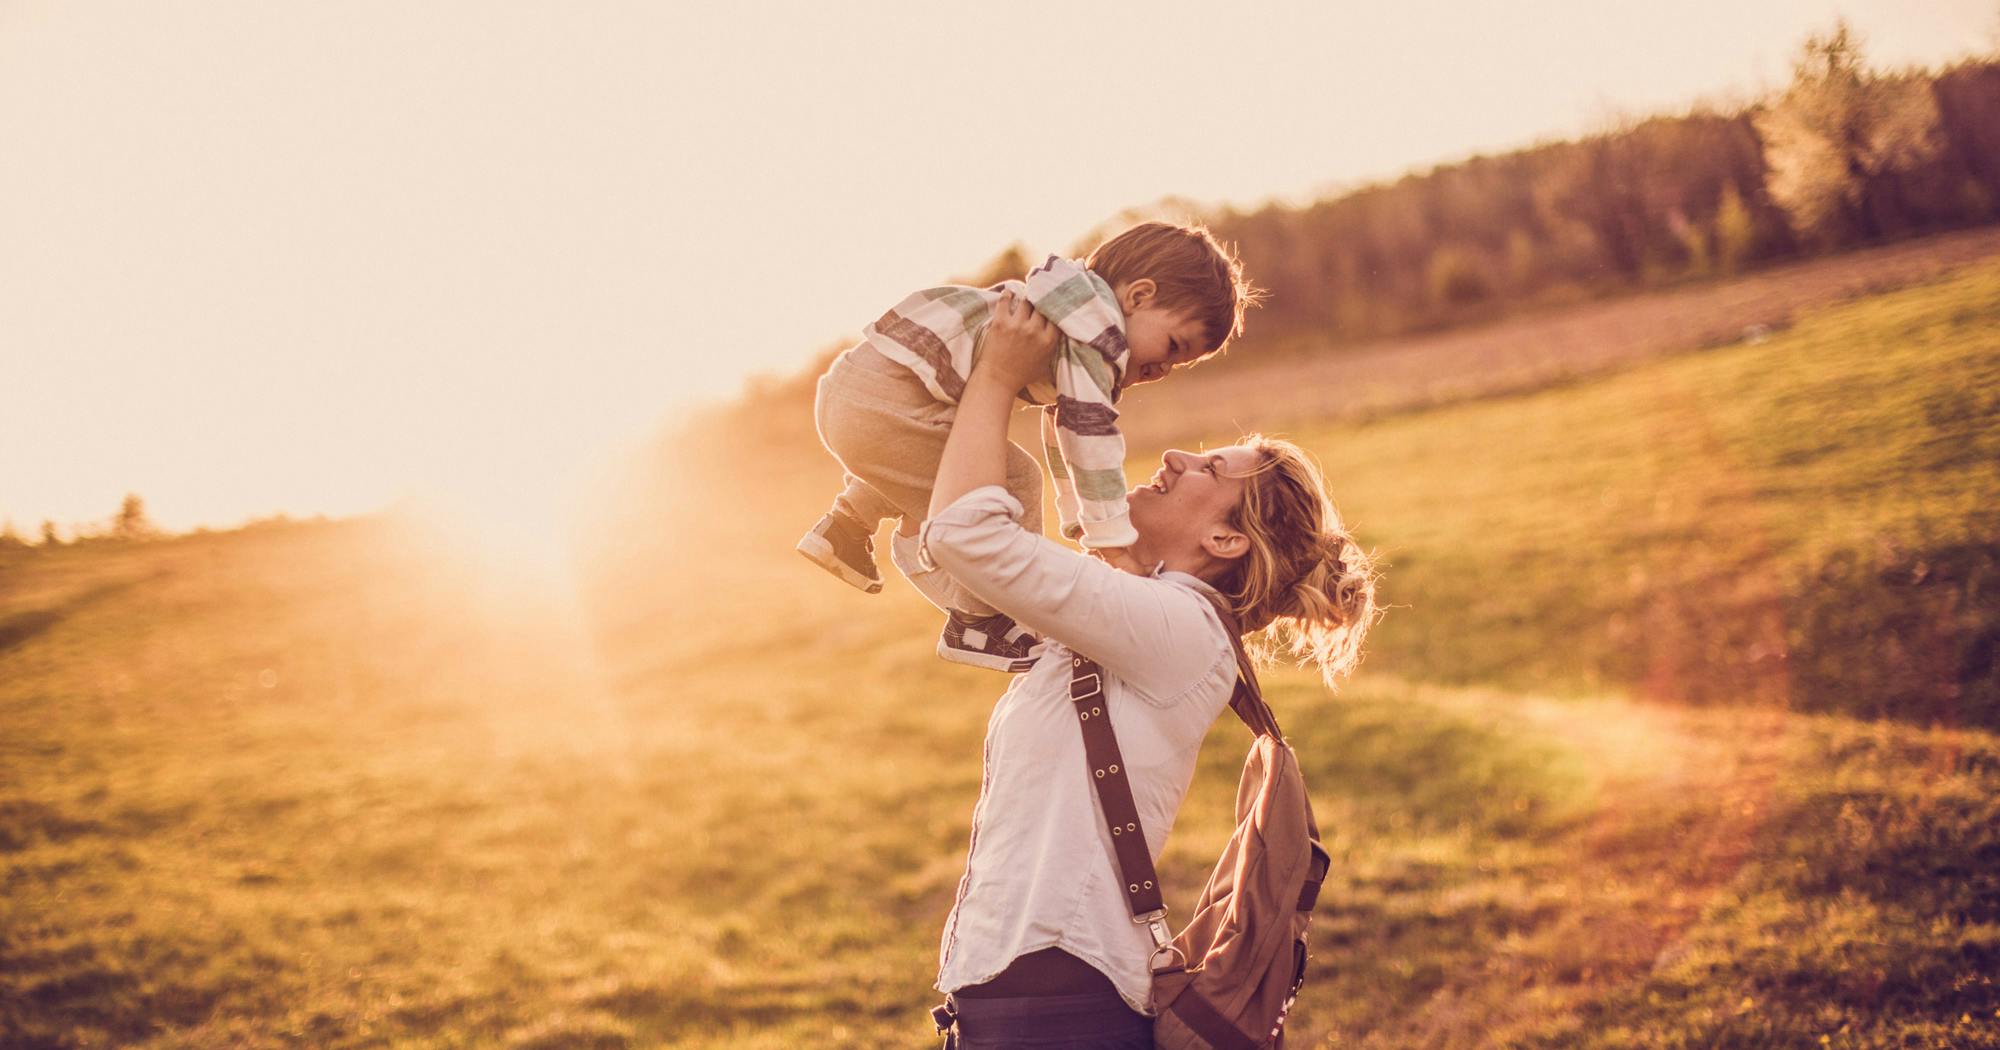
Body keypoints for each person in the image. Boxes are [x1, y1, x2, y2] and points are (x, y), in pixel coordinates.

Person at [917, 291, 1381, 1048]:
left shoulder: (1181, 629)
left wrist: (998, 378)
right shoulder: (1142, 616)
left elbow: (967, 533)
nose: (1174, 457)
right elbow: (970, 556)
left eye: (1208, 467)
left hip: (1055, 1004)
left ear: (1228, 540)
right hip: (1028, 995)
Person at [797, 222, 1257, 672]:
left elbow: (1060, 430)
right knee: (1016, 480)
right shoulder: (1095, 337)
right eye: (1173, 346)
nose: (1164, 369)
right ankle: (978, 621)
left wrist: (1080, 523)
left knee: (954, 446)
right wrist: (1114, 542)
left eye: (1180, 364)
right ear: (1138, 297)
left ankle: (845, 527)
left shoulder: (1068, 306)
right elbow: (1088, 438)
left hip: (860, 389)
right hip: (880, 407)